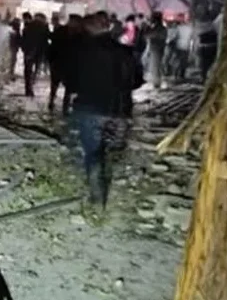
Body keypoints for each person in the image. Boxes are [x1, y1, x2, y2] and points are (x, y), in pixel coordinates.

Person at [71, 12, 143, 207]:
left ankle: (97, 196)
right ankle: (101, 185)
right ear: (108, 27)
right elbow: (136, 81)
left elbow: (71, 81)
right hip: (118, 109)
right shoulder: (124, 51)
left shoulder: (81, 51)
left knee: (93, 152)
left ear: (89, 28)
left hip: (90, 108)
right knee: (108, 148)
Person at [49, 14, 84, 114]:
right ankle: (52, 100)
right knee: (55, 84)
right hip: (58, 62)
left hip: (70, 64)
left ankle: (65, 106)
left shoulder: (80, 34)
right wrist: (51, 60)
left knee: (68, 87)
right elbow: (53, 46)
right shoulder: (61, 31)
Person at [21, 12, 48, 97]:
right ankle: (31, 86)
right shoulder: (44, 27)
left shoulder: (28, 26)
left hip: (29, 52)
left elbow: (24, 38)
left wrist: (25, 50)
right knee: (35, 70)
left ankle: (28, 88)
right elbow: (46, 40)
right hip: (38, 52)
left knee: (28, 71)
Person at [144, 12, 167, 88]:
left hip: (156, 48)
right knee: (157, 66)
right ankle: (157, 82)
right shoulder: (162, 28)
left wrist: (147, 27)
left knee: (155, 66)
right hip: (160, 48)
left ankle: (156, 83)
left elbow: (147, 35)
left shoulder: (157, 28)